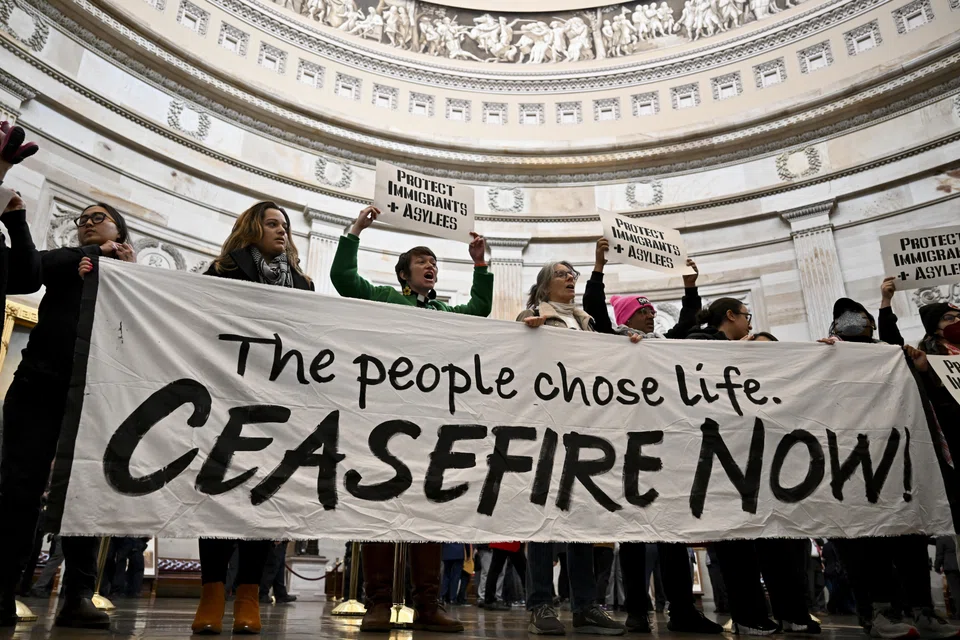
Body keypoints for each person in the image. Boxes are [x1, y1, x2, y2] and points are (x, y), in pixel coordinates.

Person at [331, 205, 492, 633]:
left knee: (429, 511)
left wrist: (480, 264)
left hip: (432, 426)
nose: (431, 267)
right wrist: (355, 232)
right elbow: (345, 281)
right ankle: (379, 603)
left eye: (434, 263)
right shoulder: (384, 299)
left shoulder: (443, 313)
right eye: (422, 262)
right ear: (404, 274)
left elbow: (479, 308)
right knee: (379, 506)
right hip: (382, 422)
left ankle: (427, 604)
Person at [1, 203, 134, 629]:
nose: (88, 223)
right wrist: (20, 222)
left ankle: (78, 594)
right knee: (18, 486)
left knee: (86, 492)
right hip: (40, 384)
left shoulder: (134, 275)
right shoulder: (63, 260)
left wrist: (124, 271)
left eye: (99, 217)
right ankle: (2, 589)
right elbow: (26, 272)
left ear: (120, 229)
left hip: (98, 391)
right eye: (83, 220)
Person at [582, 239, 722, 635]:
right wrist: (598, 268)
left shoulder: (664, 346)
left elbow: (688, 324)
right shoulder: (613, 342)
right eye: (641, 311)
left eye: (649, 310)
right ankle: (637, 610)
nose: (648, 316)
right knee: (634, 534)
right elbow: (596, 311)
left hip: (667, 445)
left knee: (673, 532)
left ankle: (682, 609)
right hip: (627, 446)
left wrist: (690, 287)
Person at [191, 201, 314, 635]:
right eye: (272, 223)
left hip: (277, 400)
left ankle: (248, 594)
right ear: (252, 227)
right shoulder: (223, 270)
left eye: (286, 226)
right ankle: (212, 592)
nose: (282, 231)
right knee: (219, 493)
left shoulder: (303, 284)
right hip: (227, 393)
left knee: (264, 495)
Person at [518, 260, 628, 636]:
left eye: (572, 275)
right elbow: (512, 361)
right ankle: (541, 604)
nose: (570, 279)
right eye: (562, 275)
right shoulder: (532, 315)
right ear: (546, 285)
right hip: (545, 426)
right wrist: (523, 333)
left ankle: (585, 604)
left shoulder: (587, 321)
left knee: (581, 518)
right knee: (545, 519)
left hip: (584, 427)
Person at [482, 543, 526, 610]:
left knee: (494, 570)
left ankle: (489, 599)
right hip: (512, 541)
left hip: (501, 540)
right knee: (523, 570)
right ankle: (532, 598)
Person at [936, 536, 960, 619]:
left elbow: (939, 555)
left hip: (951, 567)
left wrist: (937, 567)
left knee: (956, 590)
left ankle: (959, 613)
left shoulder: (942, 538)